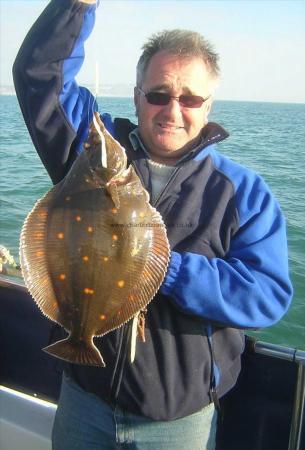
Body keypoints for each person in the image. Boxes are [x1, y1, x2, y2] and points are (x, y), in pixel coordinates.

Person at [13, 0, 293, 449]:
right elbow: (39, 76)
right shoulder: (92, 153)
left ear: (209, 105)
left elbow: (266, 296)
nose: (173, 109)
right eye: (158, 94)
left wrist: (161, 268)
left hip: (177, 421)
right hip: (85, 396)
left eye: (190, 98)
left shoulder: (242, 192)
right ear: (138, 96)